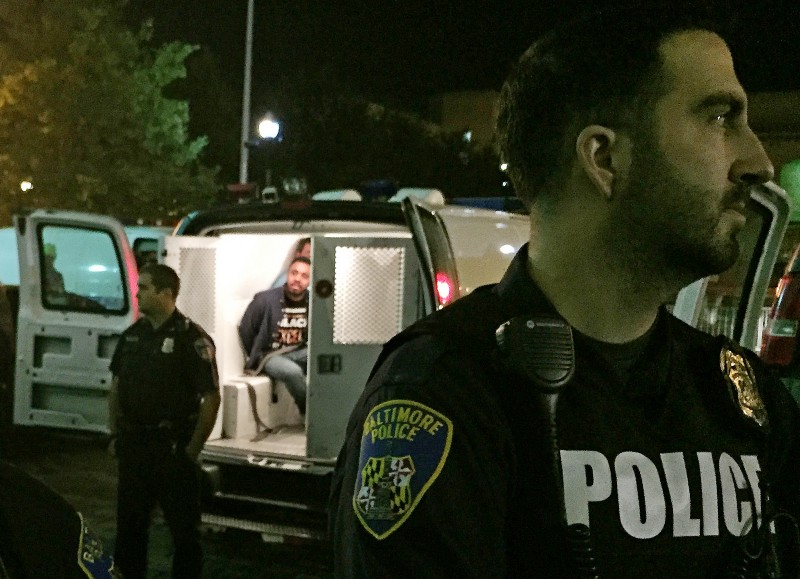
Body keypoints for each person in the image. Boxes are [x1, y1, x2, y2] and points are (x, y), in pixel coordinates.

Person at [329, 7, 800, 578]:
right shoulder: (446, 395)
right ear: (605, 159)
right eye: (721, 117)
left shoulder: (737, 398)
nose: (758, 162)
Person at [108, 263, 220, 579]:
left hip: (172, 449)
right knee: (129, 530)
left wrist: (191, 450)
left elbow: (211, 398)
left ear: (165, 293)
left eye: (143, 287)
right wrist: (114, 434)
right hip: (135, 448)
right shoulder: (132, 336)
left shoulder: (191, 338)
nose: (137, 293)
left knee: (184, 534)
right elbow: (116, 388)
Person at [239, 256, 311, 415]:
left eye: (304, 276)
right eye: (294, 273)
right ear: (288, 274)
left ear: (310, 281)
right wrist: (256, 354)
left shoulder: (312, 302)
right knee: (292, 372)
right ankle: (309, 413)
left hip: (299, 352)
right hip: (270, 355)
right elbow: (246, 330)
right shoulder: (264, 299)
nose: (297, 279)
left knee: (325, 360)